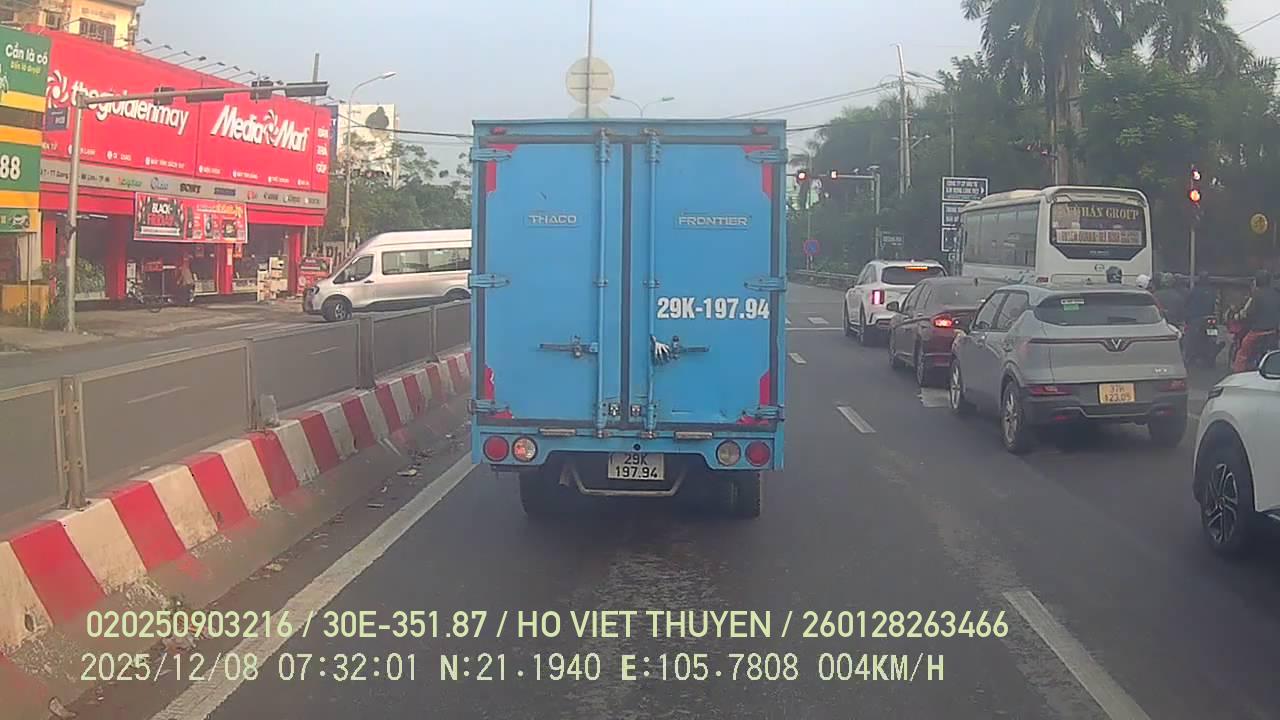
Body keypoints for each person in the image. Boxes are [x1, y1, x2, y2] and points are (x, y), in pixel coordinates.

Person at [1231, 270, 1280, 372]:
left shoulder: (1256, 295)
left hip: (1257, 332)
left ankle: (1238, 374)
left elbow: (1248, 312)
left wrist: (1238, 317)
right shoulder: (1276, 294)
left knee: (1243, 353)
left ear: (1257, 281)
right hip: (1273, 332)